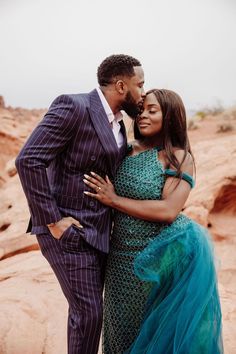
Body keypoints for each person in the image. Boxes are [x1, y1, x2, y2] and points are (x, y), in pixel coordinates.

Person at [15, 54, 145, 354]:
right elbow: (29, 160)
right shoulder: (74, 106)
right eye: (140, 85)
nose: (143, 92)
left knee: (86, 316)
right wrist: (53, 221)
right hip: (68, 232)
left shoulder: (120, 124)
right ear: (121, 85)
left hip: (98, 235)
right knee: (89, 315)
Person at [83, 89, 223, 354]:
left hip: (161, 257)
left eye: (152, 110)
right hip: (119, 258)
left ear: (169, 117)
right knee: (118, 331)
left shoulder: (179, 157)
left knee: (155, 335)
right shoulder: (124, 150)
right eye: (142, 109)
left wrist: (113, 200)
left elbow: (169, 210)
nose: (143, 116)